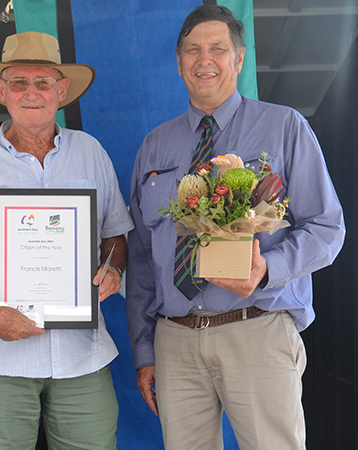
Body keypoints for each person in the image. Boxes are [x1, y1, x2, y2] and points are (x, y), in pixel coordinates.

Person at [126, 5, 345, 450]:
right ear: (179, 60)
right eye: (193, 50)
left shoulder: (285, 127)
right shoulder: (154, 146)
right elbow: (143, 258)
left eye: (217, 49)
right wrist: (146, 352)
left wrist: (267, 268)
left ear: (239, 59)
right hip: (176, 339)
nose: (204, 60)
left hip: (257, 329)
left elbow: (327, 228)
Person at [0, 31, 133, 450]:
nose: (31, 92)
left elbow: (115, 235)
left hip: (82, 356)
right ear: (2, 91)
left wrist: (115, 268)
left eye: (43, 82)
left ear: (62, 89)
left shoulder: (91, 151)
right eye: (19, 82)